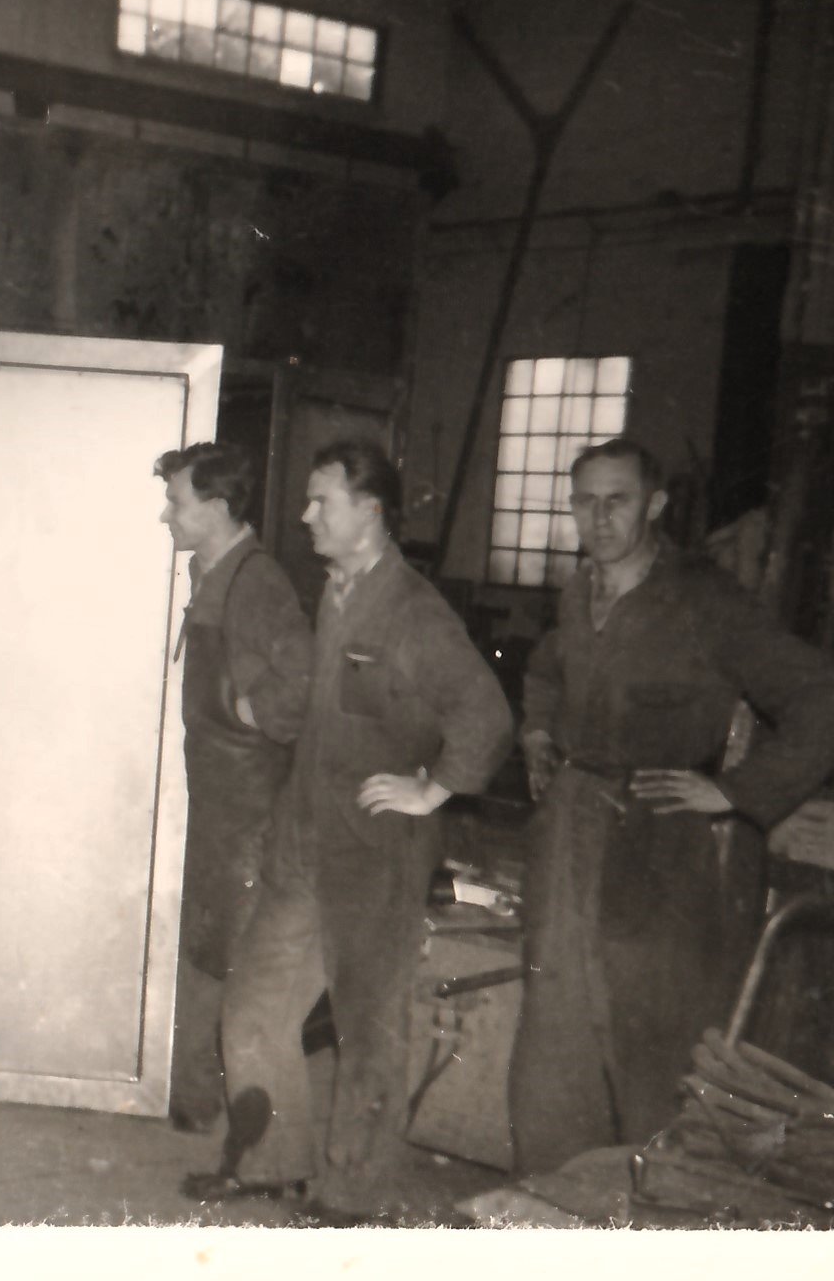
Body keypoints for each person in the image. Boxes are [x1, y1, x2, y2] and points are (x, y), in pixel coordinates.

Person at [508, 438, 834, 1177]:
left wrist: (737, 791)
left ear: (656, 505)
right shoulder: (580, 591)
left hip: (658, 849)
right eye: (585, 502)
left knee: (653, 1051)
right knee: (555, 1043)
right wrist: (537, 731)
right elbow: (544, 669)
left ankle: (659, 1212)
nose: (600, 519)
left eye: (618, 501)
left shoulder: (705, 601)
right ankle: (556, 1204)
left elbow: (826, 700)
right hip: (568, 840)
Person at [193, 439, 513, 1218]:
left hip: (374, 851)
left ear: (370, 511)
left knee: (368, 1028)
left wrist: (433, 789)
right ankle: (271, 1161)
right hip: (303, 840)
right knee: (254, 1005)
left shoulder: (412, 612)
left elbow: (486, 715)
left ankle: (354, 1196)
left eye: (321, 501)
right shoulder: (334, 594)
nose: (305, 515)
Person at [154, 443, 313, 1133]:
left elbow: (303, 686)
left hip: (249, 803)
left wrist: (247, 712)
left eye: (177, 502)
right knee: (206, 942)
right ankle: (192, 1095)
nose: (166, 516)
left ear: (217, 508)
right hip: (217, 794)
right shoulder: (213, 570)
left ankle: (217, 1105)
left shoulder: (257, 583)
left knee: (231, 956)